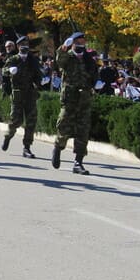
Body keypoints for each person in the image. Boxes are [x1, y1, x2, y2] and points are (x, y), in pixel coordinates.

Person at [52, 32, 98, 175]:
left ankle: (78, 162)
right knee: (64, 127)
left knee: (83, 132)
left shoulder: (88, 59)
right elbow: (59, 61)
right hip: (70, 99)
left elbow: (94, 74)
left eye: (83, 42)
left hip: (84, 99)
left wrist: (96, 83)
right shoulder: (68, 57)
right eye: (78, 41)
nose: (81, 44)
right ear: (72, 42)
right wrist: (63, 47)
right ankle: (58, 148)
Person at [1, 35, 46, 158]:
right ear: (18, 46)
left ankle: (27, 147)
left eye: (26, 45)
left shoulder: (33, 60)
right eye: (22, 45)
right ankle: (8, 136)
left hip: (30, 94)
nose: (24, 47)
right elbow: (3, 71)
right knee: (16, 121)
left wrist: (42, 80)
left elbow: (39, 74)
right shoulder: (13, 59)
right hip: (18, 94)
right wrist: (10, 71)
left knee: (31, 121)